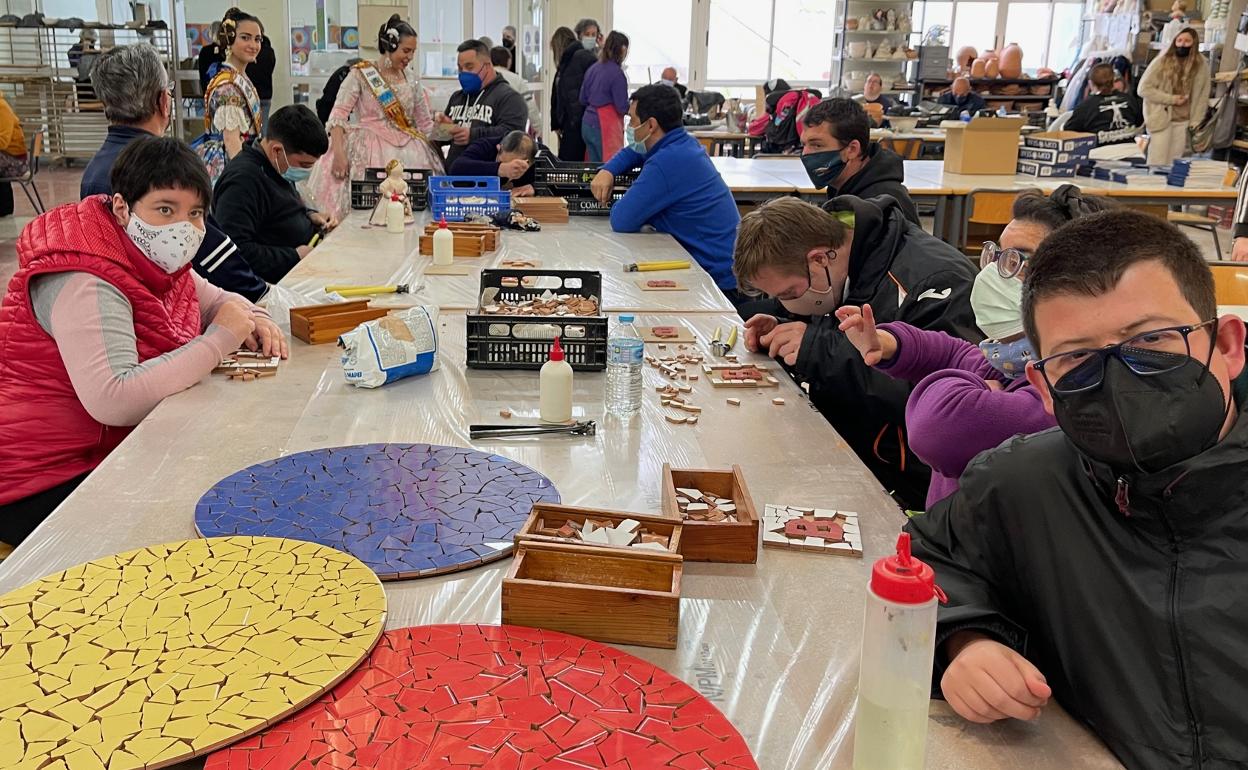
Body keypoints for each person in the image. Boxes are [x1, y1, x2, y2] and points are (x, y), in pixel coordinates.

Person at [905, 210, 1248, 769]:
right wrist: (963, 642)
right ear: (1041, 383)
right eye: (1078, 357)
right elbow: (926, 558)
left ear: (1228, 346)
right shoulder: (1023, 485)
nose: (1120, 373)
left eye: (1153, 338)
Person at [0, 136, 285, 546]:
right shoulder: (86, 279)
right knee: (194, 521)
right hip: (38, 481)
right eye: (165, 209)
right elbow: (114, 395)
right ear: (122, 208)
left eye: (195, 214)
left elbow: (217, 299)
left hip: (100, 452)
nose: (182, 229)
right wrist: (220, 340)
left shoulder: (152, 259)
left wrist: (254, 318)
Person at [834, 185, 1112, 508]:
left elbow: (935, 425)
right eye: (996, 255)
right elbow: (957, 353)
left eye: (1017, 260)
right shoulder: (1018, 358)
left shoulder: (1064, 397)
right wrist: (890, 343)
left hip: (983, 555)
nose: (994, 273)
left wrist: (972, 382)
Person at [734, 196, 980, 510]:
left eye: (789, 294)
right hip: (851, 440)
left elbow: (947, 399)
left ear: (819, 259)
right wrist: (785, 329)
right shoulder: (843, 258)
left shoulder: (937, 280)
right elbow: (833, 327)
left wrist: (815, 349)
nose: (785, 303)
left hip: (908, 482)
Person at [84, 43, 266, 302]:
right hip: (172, 308)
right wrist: (262, 294)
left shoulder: (93, 172)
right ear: (163, 101)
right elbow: (211, 254)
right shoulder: (160, 166)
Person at [589, 86, 739, 301]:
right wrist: (608, 170)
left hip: (717, 284)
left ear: (650, 125)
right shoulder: (682, 144)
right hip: (722, 268)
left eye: (632, 120)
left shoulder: (667, 162)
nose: (629, 128)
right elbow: (635, 151)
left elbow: (622, 220)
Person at [307, 15, 444, 222]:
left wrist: (449, 134)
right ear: (389, 45)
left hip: (409, 148)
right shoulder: (361, 74)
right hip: (367, 146)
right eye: (406, 51)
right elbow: (338, 115)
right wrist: (338, 153)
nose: (409, 57)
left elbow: (424, 124)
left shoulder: (412, 80)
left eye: (413, 52)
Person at [215, 105, 331, 284]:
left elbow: (278, 208)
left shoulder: (276, 166)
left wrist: (309, 215)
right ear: (277, 150)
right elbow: (235, 251)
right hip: (272, 286)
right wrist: (293, 256)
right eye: (304, 165)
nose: (307, 172)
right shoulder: (242, 181)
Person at [800, 98, 919, 225]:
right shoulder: (844, 186)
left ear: (852, 149)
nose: (805, 153)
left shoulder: (885, 208)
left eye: (817, 145)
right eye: (803, 144)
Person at [192, 7, 265, 184]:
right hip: (230, 160)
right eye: (245, 37)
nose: (253, 45)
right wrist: (246, 178)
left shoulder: (239, 77)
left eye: (257, 39)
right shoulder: (228, 86)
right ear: (229, 40)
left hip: (245, 152)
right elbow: (231, 139)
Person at [438, 39, 528, 168]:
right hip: (453, 176)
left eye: (469, 67)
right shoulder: (457, 97)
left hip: (486, 179)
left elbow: (513, 136)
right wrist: (443, 129)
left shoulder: (510, 98)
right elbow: (443, 139)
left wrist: (472, 135)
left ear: (487, 65)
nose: (464, 73)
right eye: (460, 68)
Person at [1139, 26, 1209, 166]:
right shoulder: (1162, 61)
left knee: (1174, 164)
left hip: (1184, 121)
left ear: (1194, 43)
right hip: (1160, 118)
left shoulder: (1201, 65)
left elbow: (1202, 96)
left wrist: (1195, 122)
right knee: (1156, 162)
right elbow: (1143, 89)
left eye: (1187, 41)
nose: (1182, 44)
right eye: (1179, 40)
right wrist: (1172, 99)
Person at [1066, 63, 1144, 147]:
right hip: (1132, 153)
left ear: (1091, 83)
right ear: (1113, 80)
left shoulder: (1086, 106)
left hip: (1100, 155)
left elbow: (1069, 131)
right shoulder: (1130, 99)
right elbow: (1140, 122)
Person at [579, 31, 629, 162]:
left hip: (587, 123)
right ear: (622, 50)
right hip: (604, 127)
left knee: (592, 169)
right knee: (607, 168)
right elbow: (622, 107)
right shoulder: (617, 74)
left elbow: (582, 98)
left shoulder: (593, 68)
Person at [551, 26, 596, 162]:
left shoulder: (576, 59)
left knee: (569, 165)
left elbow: (565, 96)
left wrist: (561, 122)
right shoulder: (570, 60)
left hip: (575, 124)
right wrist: (557, 123)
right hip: (574, 123)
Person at [449, 130, 536, 196]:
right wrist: (500, 168)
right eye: (503, 162)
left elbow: (549, 178)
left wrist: (535, 187)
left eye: (518, 168)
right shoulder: (485, 146)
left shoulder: (540, 155)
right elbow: (456, 168)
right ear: (498, 148)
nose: (510, 173)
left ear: (530, 162)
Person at [491, 45, 540, 133]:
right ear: (509, 61)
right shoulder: (516, 79)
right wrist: (538, 128)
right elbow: (530, 105)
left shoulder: (484, 79)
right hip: (512, 130)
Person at [0, 91, 26, 218]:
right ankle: (4, 206)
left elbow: (3, 142)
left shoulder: (1, 108)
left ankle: (4, 206)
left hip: (16, 161)